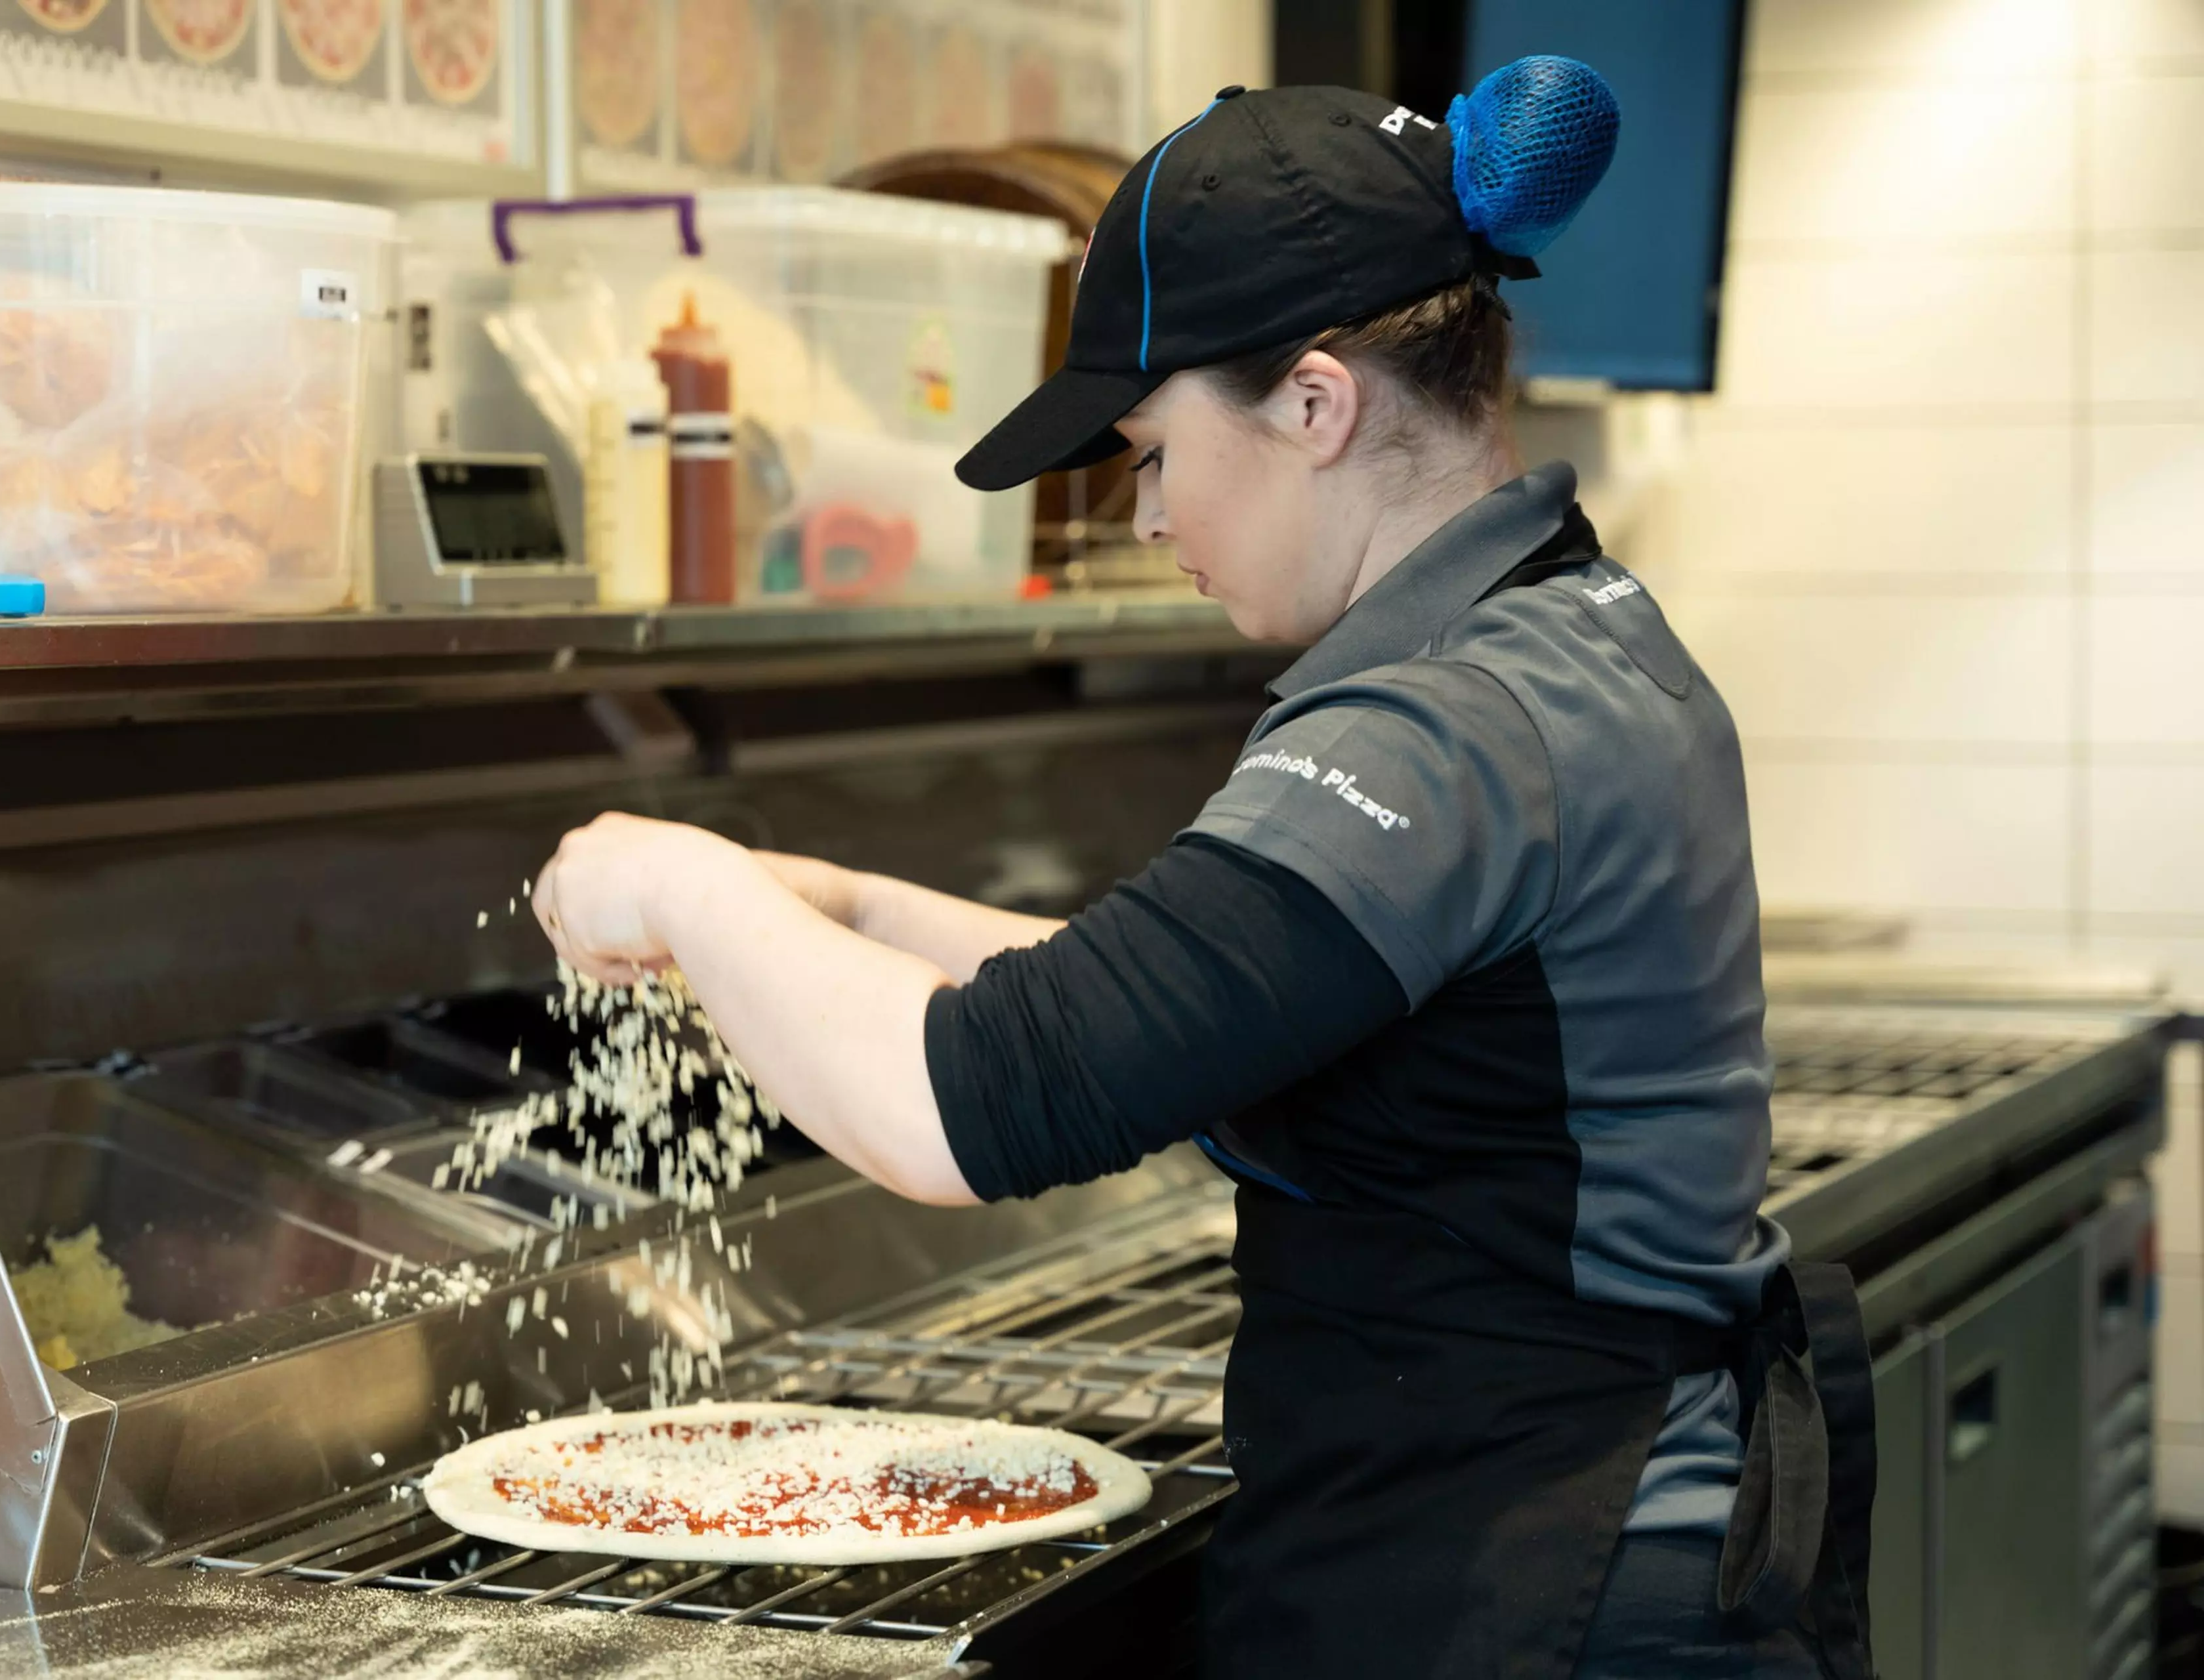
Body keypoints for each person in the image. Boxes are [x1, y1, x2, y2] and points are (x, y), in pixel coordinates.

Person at [531, 60, 1877, 1680]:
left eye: (1156, 445)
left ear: (1317, 404)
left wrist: (679, 879)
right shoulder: (1562, 633)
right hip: (1602, 1528)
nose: (1149, 506)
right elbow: (1204, 997)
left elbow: (969, 1106)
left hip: (1537, 1578)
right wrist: (849, 904)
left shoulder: (1438, 726)